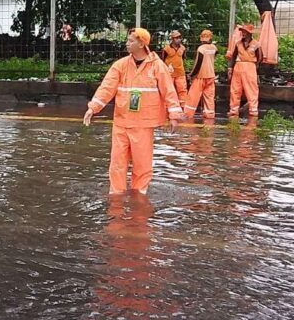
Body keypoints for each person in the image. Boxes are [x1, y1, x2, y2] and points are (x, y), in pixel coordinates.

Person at [83, 28, 182, 195]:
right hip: (121, 122)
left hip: (143, 124)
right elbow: (107, 88)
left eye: (131, 41)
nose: (127, 43)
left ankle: (139, 196)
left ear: (142, 44)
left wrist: (174, 116)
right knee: (117, 163)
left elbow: (168, 91)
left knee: (142, 164)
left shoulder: (157, 66)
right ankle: (116, 195)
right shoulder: (120, 65)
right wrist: (92, 108)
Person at [227, 23, 261, 117]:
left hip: (250, 66)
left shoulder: (256, 44)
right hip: (238, 66)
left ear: (250, 33)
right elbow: (233, 56)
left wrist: (255, 67)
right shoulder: (238, 43)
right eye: (242, 31)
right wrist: (230, 68)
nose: (243, 33)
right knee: (235, 89)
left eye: (245, 31)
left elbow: (260, 58)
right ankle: (233, 110)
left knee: (251, 90)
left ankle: (253, 110)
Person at [184, 30, 217, 119]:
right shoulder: (214, 48)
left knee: (193, 96)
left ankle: (188, 114)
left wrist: (191, 74)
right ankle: (209, 114)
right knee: (209, 96)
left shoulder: (201, 49)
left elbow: (198, 63)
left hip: (201, 76)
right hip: (211, 75)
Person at [160, 30, 187, 102]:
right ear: (172, 39)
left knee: (182, 90)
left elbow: (183, 59)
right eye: (176, 38)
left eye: (179, 37)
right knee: (169, 90)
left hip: (180, 73)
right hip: (169, 73)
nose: (178, 39)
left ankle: (183, 107)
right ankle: (167, 106)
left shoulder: (183, 48)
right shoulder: (166, 49)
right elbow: (162, 60)